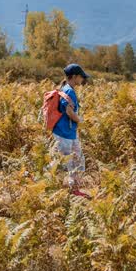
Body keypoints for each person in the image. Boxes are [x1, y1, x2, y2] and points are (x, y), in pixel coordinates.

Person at [52, 63, 89, 197]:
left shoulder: (65, 88)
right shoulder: (69, 91)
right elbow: (69, 111)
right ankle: (73, 190)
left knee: (72, 160)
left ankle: (73, 188)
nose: (82, 79)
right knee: (69, 162)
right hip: (65, 134)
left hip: (66, 133)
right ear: (74, 77)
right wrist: (80, 120)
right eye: (81, 77)